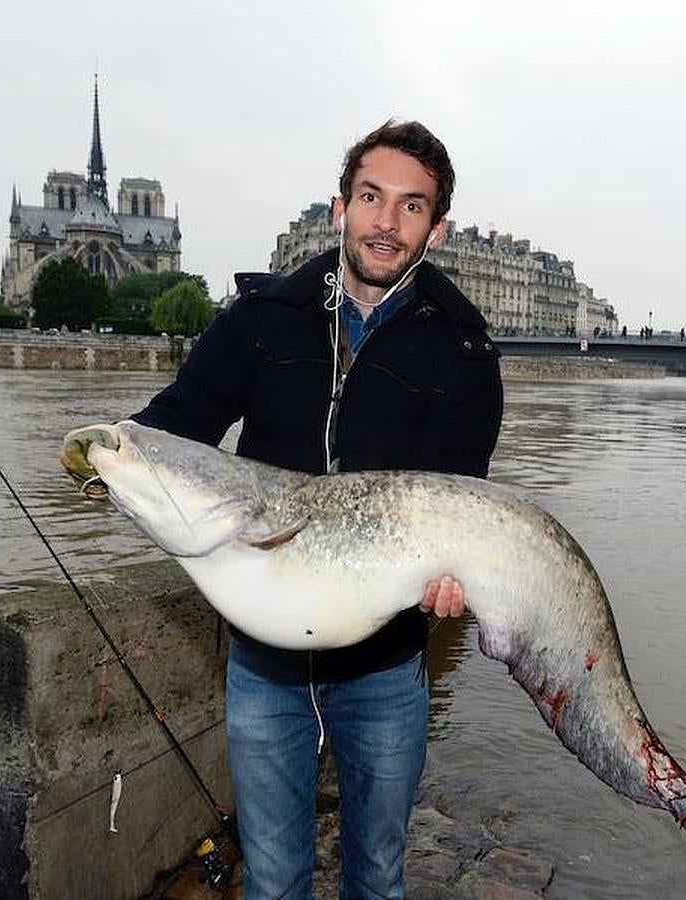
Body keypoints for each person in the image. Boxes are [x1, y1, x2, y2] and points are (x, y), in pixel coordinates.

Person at [132, 120, 503, 899]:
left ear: (436, 228)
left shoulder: (465, 353)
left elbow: (458, 507)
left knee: (376, 877)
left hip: (387, 662)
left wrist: (450, 584)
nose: (386, 222)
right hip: (263, 663)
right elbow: (176, 424)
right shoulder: (260, 317)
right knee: (272, 881)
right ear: (341, 207)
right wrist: (116, 458)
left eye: (410, 207)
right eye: (371, 198)